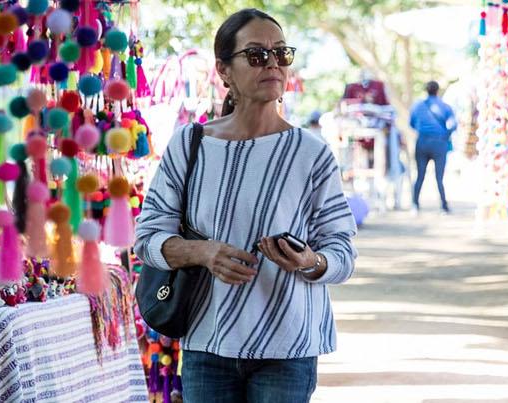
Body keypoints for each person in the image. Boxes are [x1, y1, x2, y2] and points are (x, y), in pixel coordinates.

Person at [132, 9, 358, 403]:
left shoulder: (312, 153)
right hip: (208, 342)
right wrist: (203, 252)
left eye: (280, 53)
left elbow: (342, 253)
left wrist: (310, 261)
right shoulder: (190, 144)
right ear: (224, 70)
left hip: (288, 347)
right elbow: (147, 238)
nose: (272, 63)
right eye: (256, 55)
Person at [409, 80, 457, 213]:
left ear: (426, 90)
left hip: (422, 142)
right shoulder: (445, 106)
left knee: (420, 175)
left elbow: (411, 123)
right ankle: (444, 206)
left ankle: (415, 205)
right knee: (439, 177)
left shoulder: (417, 106)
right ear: (437, 90)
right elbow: (453, 125)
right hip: (439, 143)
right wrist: (445, 134)